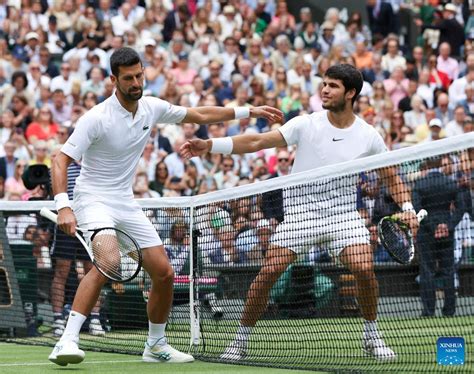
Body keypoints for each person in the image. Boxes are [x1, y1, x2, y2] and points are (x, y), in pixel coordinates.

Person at [48, 47, 282, 367]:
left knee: (165, 273)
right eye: (128, 78)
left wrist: (249, 111)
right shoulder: (96, 118)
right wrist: (64, 206)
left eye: (139, 75)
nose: (135, 82)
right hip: (92, 199)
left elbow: (199, 114)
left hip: (125, 201)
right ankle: (67, 340)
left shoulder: (152, 107)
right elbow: (60, 159)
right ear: (113, 80)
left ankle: (156, 344)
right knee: (108, 262)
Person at [180, 64, 419, 361]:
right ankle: (240, 341)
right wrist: (211, 145)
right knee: (267, 274)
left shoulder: (368, 135)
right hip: (300, 216)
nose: (325, 90)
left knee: (363, 269)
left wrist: (407, 208)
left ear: (351, 93)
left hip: (342, 216)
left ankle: (372, 336)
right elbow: (258, 141)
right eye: (324, 84)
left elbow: (391, 177)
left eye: (333, 85)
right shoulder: (306, 124)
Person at [413, 157, 463, 317]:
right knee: (448, 270)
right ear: (440, 164)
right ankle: (449, 311)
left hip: (426, 233)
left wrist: (433, 227)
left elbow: (416, 210)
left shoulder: (419, 184)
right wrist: (448, 226)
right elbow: (462, 207)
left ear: (426, 165)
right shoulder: (450, 183)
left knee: (427, 271)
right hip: (447, 231)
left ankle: (428, 311)